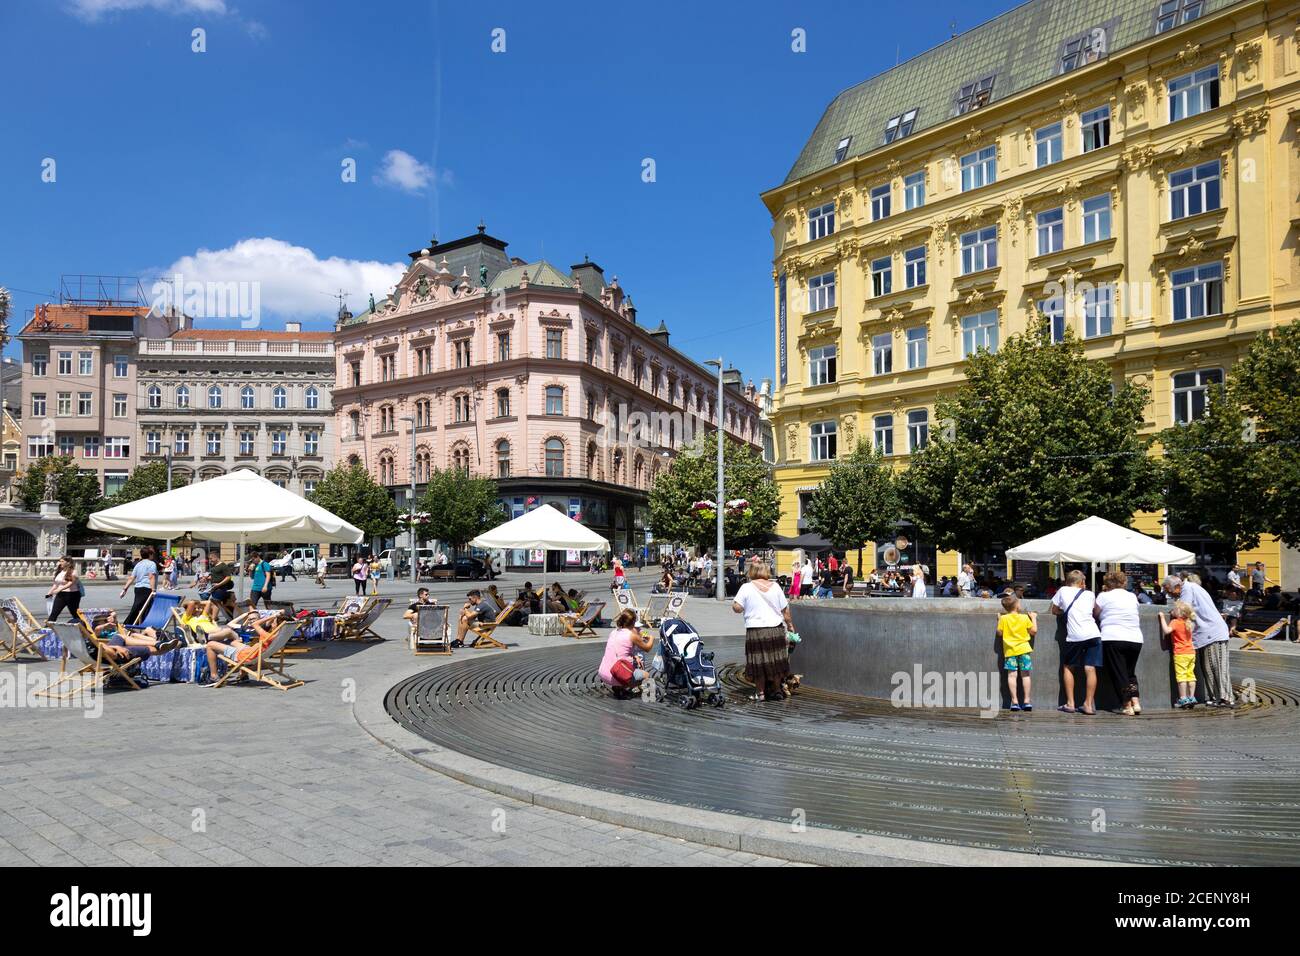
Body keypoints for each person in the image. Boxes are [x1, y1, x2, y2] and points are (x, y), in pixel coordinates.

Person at [1161, 573, 1232, 707]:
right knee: (1209, 667)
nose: (1170, 595)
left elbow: (1183, 610)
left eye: (1169, 591)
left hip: (1213, 632)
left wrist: (1170, 613)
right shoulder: (1190, 587)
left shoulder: (1187, 590)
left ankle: (1226, 698)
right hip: (1208, 633)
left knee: (1218, 666)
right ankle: (1216, 698)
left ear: (1176, 587)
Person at [732, 560, 794, 702]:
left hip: (756, 631)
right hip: (775, 629)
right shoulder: (776, 587)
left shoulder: (746, 587)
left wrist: (737, 605)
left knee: (758, 662)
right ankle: (778, 690)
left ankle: (761, 693)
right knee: (776, 660)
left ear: (752, 572)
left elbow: (737, 608)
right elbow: (785, 611)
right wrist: (790, 626)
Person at [1051, 569, 1101, 715]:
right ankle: (1088, 705)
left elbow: (1054, 610)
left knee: (1068, 667)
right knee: (1090, 669)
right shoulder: (1090, 594)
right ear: (1081, 582)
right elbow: (1093, 611)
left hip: (1075, 636)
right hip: (1094, 634)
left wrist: (1064, 612)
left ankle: (1070, 703)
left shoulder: (1063, 590)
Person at [1095, 570, 1144, 716]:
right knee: (1130, 673)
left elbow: (1095, 614)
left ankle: (1126, 705)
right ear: (1123, 582)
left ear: (1108, 583)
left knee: (1119, 673)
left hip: (1113, 637)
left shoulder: (1103, 596)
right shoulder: (1131, 596)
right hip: (1135, 638)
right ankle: (1136, 702)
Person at [203, 610, 290, 686]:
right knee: (233, 642)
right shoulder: (280, 635)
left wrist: (272, 616)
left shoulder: (267, 635)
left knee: (210, 645)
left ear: (277, 625)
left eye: (274, 622)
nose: (272, 623)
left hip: (245, 655)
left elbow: (255, 624)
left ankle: (213, 676)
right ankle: (243, 675)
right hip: (251, 651)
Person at [90, 610, 181, 664]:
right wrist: (106, 625)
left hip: (111, 647)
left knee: (125, 635)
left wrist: (115, 646)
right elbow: (98, 630)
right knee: (147, 648)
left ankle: (159, 642)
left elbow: (100, 647)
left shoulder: (86, 644)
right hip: (115, 653)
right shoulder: (98, 630)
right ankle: (165, 644)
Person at [598, 608, 655, 696]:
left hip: (603, 673)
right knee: (646, 675)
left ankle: (619, 688)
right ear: (633, 622)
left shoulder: (613, 632)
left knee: (628, 664)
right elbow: (647, 648)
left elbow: (619, 649)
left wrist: (634, 656)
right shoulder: (631, 635)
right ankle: (622, 685)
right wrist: (651, 638)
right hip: (616, 675)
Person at [996, 592, 1036, 712]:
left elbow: (999, 633)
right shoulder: (1024, 618)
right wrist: (1033, 618)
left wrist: (999, 620)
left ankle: (1014, 702)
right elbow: (1033, 631)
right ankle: (1027, 701)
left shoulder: (1003, 618)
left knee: (1012, 676)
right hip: (1024, 650)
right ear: (1017, 606)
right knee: (1026, 675)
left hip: (1010, 651)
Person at [1158, 602, 1198, 709]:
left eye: (1174, 609)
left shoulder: (1175, 622)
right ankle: (1192, 697)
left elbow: (1166, 631)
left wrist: (1162, 617)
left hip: (1181, 654)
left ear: (1179, 613)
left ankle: (1183, 699)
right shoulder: (1188, 622)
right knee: (1191, 675)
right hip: (1191, 653)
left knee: (1181, 677)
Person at [120, 546, 158, 626]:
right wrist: (153, 590)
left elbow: (132, 577)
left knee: (138, 606)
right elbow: (151, 577)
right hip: (147, 588)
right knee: (144, 607)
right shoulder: (151, 564)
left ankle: (138, 623)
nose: (153, 555)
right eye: (152, 554)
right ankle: (128, 623)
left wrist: (125, 589)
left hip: (138, 588)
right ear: (150, 554)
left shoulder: (138, 564)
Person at [44, 556, 83, 625]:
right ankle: (46, 630)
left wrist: (60, 589)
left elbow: (70, 583)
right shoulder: (60, 571)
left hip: (72, 595)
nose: (60, 563)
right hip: (61, 595)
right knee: (54, 613)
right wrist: (50, 592)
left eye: (62, 561)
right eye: (60, 561)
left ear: (68, 563)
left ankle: (86, 629)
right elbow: (56, 584)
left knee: (75, 614)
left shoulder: (74, 572)